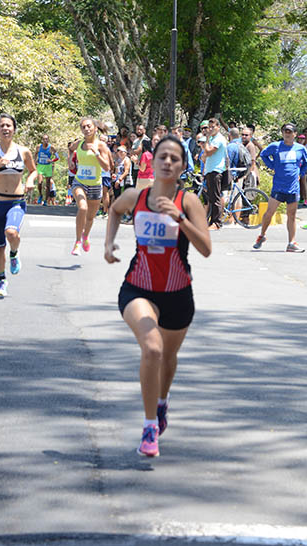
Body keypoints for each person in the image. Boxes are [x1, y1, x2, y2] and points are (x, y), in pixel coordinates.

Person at [104, 134, 212, 458]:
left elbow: (206, 249)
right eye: (162, 156)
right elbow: (113, 211)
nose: (167, 162)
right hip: (138, 287)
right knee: (152, 348)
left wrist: (178, 218)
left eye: (174, 158)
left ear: (181, 167)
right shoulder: (136, 196)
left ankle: (161, 402)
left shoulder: (189, 201)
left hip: (178, 293)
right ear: (153, 161)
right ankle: (150, 426)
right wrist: (108, 244)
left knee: (167, 357)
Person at [0, 113, 36, 298]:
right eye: (2, 125)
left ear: (14, 129)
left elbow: (34, 171)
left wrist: (31, 181)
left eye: (9, 125)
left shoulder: (23, 151)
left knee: (11, 233)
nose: (5, 129)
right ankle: (2, 280)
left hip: (16, 201)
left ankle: (15, 252)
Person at [253, 123, 307, 252]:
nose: (287, 133)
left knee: (291, 215)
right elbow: (263, 155)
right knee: (269, 213)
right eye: (285, 131)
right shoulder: (276, 146)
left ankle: (291, 242)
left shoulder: (300, 149)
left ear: (295, 134)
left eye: (290, 131)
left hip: (293, 187)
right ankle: (262, 235)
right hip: (279, 186)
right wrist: (272, 165)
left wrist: (300, 174)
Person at [67, 117, 112, 256]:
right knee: (82, 208)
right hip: (79, 182)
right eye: (83, 127)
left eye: (89, 126)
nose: (86, 129)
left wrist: (97, 154)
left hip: (95, 185)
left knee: (90, 217)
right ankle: (77, 242)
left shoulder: (101, 146)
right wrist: (70, 161)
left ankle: (85, 236)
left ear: (95, 128)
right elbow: (70, 149)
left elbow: (107, 167)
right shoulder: (79, 144)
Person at [200, 117, 227, 229]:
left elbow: (209, 152)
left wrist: (206, 140)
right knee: (211, 197)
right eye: (209, 127)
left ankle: (217, 222)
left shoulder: (218, 139)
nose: (210, 129)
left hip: (216, 171)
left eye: (213, 127)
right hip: (210, 170)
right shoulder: (213, 138)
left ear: (218, 127)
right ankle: (212, 221)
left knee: (215, 198)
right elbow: (204, 156)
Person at [34, 134, 59, 205]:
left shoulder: (51, 147)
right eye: (44, 139)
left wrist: (52, 161)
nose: (45, 140)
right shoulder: (39, 147)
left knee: (48, 185)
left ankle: (45, 200)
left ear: (48, 140)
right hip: (40, 166)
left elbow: (57, 157)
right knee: (39, 183)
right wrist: (35, 160)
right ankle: (40, 195)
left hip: (48, 167)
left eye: (47, 139)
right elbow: (35, 154)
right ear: (42, 140)